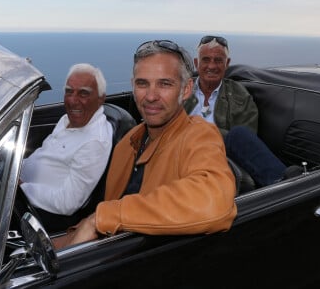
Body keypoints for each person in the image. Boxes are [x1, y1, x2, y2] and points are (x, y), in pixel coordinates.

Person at [54, 40, 237, 248]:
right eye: (143, 84)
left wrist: (102, 218)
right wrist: (60, 244)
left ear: (186, 90)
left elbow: (214, 201)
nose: (150, 96)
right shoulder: (128, 143)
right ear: (133, 85)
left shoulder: (199, 134)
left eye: (164, 84)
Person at [184, 35, 286, 187]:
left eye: (218, 60)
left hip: (219, 155)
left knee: (238, 135)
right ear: (196, 63)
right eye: (206, 60)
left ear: (227, 64)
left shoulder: (240, 95)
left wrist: (203, 132)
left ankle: (285, 185)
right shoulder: (179, 90)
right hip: (181, 149)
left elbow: (245, 142)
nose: (211, 66)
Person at [20, 63, 113, 228]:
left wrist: (21, 188)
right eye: (69, 91)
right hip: (17, 185)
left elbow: (67, 203)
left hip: (34, 211)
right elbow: (45, 156)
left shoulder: (94, 142)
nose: (73, 100)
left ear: (101, 99)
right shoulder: (68, 119)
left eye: (84, 93)